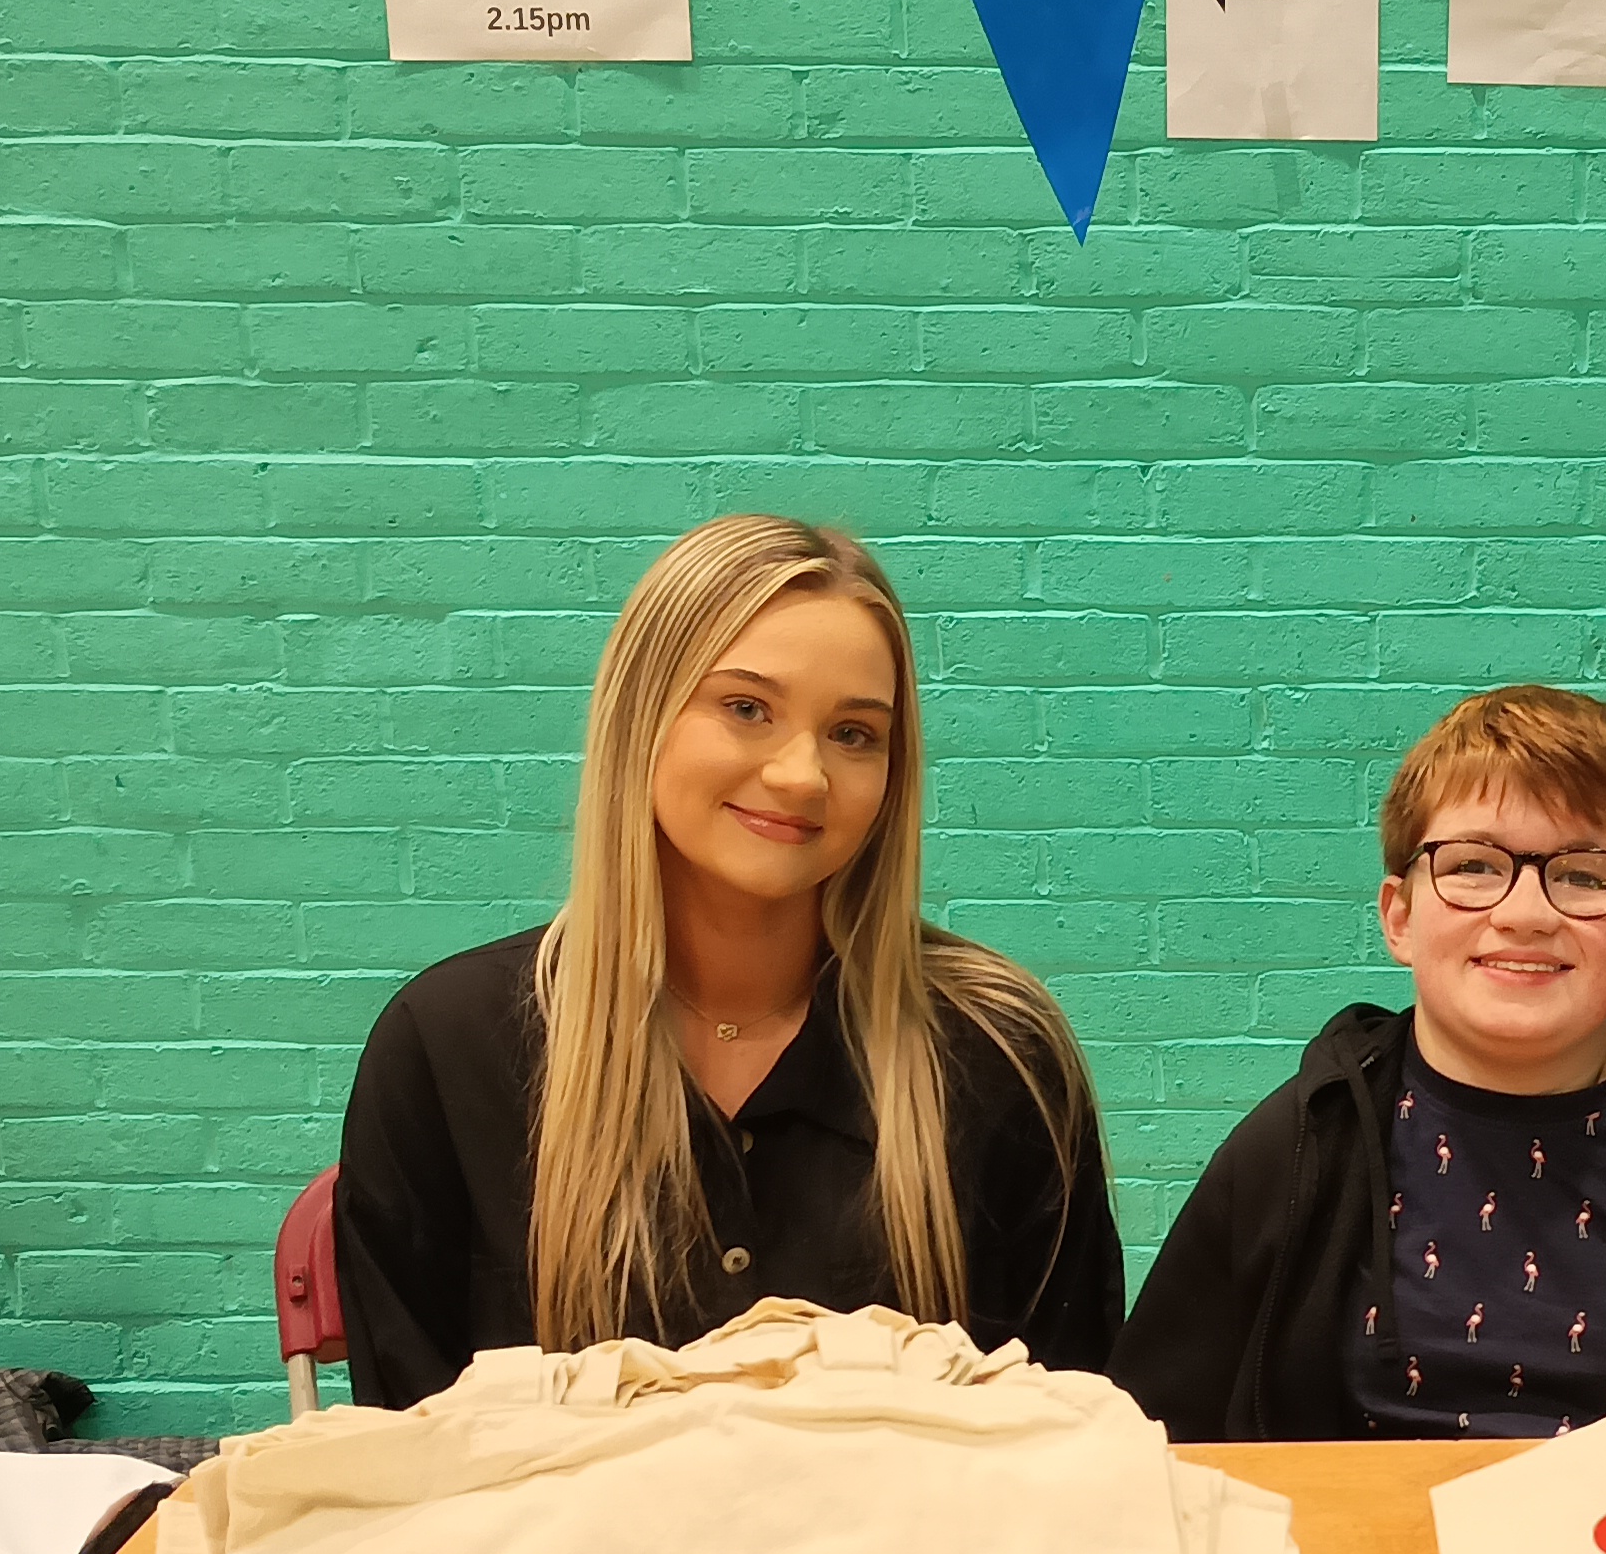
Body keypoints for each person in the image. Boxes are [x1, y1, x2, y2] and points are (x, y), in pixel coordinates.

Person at [334, 516, 1118, 1406]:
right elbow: (411, 1455)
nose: (802, 776)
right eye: (746, 708)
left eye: (854, 734)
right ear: (643, 716)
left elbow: (1068, 1430)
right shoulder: (448, 1047)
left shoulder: (999, 1049)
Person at [1118, 686, 1606, 1442]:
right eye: (1472, 866)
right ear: (1398, 916)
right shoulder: (1299, 1146)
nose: (1525, 913)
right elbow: (1156, 1446)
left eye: (1583, 875)